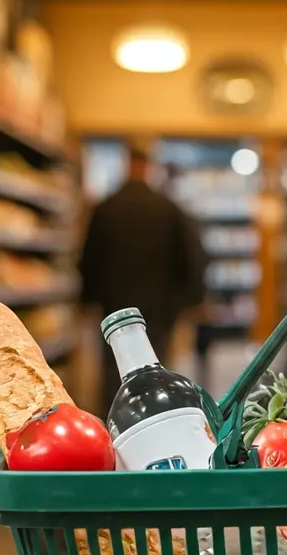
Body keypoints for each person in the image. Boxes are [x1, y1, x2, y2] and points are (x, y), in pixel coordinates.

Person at [79, 144, 208, 408]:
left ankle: (115, 420)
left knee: (114, 368)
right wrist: (188, 301)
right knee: (156, 365)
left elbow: (89, 258)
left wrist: (88, 300)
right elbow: (192, 256)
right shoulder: (169, 209)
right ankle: (153, 415)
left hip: (114, 306)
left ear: (127, 165)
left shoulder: (106, 208)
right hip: (159, 308)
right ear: (149, 167)